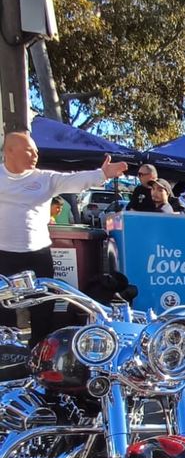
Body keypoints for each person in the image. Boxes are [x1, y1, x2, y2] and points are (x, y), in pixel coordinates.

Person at [0, 130, 127, 345]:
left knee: (42, 308)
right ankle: (7, 354)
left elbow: (74, 180)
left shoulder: (45, 178)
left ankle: (39, 352)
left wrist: (102, 174)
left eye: (36, 152)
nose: (35, 156)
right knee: (4, 310)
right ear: (9, 151)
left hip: (37, 255)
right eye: (29, 151)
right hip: (4, 255)